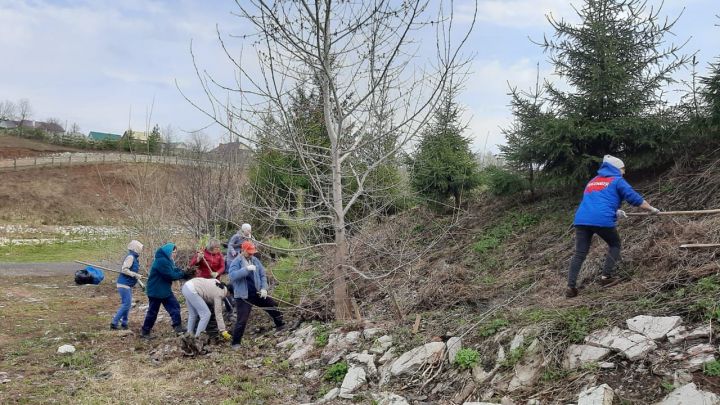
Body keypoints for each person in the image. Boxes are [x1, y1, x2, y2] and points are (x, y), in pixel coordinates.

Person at [566, 155, 660, 298]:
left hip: (581, 219)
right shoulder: (617, 180)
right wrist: (651, 209)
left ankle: (571, 286)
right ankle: (606, 277)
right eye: (622, 169)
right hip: (601, 219)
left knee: (580, 253)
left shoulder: (593, 181)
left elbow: (597, 201)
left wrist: (615, 211)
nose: (624, 172)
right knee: (615, 244)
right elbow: (634, 198)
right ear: (616, 168)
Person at [228, 241, 284, 348]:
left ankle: (281, 325)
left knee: (272, 305)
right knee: (242, 319)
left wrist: (264, 288)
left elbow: (263, 275)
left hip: (257, 292)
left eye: (252, 252)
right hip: (243, 296)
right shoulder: (236, 262)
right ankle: (236, 343)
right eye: (249, 252)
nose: (251, 254)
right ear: (243, 250)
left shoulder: (255, 260)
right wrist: (245, 269)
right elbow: (232, 276)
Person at [141, 243, 187, 338]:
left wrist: (182, 272)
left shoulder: (168, 260)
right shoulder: (161, 261)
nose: (175, 254)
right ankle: (145, 332)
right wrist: (183, 274)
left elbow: (175, 270)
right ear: (168, 251)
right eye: (173, 252)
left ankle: (177, 327)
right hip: (155, 291)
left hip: (164, 290)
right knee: (153, 312)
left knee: (175, 306)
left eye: (175, 252)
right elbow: (171, 275)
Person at [111, 240, 143, 330]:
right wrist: (135, 275)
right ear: (135, 248)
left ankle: (124, 323)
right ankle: (114, 322)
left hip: (127, 284)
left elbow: (132, 272)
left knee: (126, 304)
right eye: (140, 248)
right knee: (126, 304)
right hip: (123, 284)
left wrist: (139, 281)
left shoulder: (135, 258)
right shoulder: (130, 257)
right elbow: (124, 269)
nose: (141, 249)